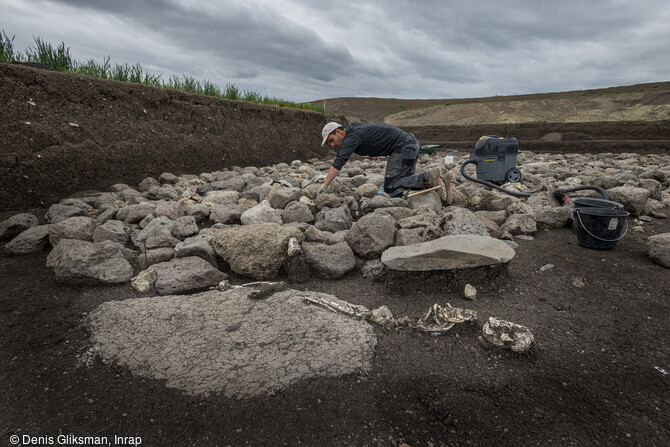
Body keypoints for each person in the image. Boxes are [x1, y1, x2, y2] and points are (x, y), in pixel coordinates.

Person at [318, 122, 454, 202]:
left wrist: (324, 186)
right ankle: (444, 180)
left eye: (331, 140)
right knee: (403, 183)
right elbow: (339, 157)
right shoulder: (354, 130)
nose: (332, 145)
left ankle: (430, 177)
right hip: (410, 145)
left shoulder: (352, 137)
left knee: (391, 186)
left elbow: (340, 162)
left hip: (404, 148)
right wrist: (324, 176)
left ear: (338, 132)